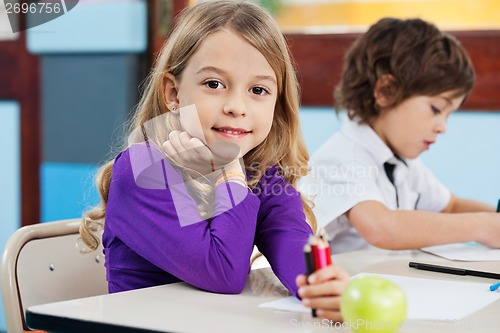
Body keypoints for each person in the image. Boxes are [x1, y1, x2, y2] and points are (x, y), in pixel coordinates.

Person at [78, 0, 348, 316]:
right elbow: (223, 272)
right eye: (214, 84)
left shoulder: (260, 172)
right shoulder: (144, 170)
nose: (236, 106)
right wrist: (228, 171)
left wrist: (318, 284)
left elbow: (289, 239)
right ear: (173, 94)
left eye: (258, 90)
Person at [300, 17, 500, 254]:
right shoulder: (342, 157)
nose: (442, 127)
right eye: (436, 109)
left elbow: (451, 206)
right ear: (386, 91)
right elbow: (381, 227)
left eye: (448, 115)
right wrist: (483, 227)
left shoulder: (402, 161)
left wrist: (495, 218)